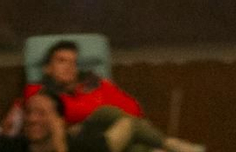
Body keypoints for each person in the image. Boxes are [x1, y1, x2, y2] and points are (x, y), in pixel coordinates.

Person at [11, 39, 144, 126]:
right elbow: (66, 113)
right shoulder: (37, 90)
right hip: (72, 145)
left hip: (110, 138)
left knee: (138, 150)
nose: (69, 67)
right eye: (61, 61)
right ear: (48, 68)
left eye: (73, 62)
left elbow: (134, 109)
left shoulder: (96, 84)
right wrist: (101, 111)